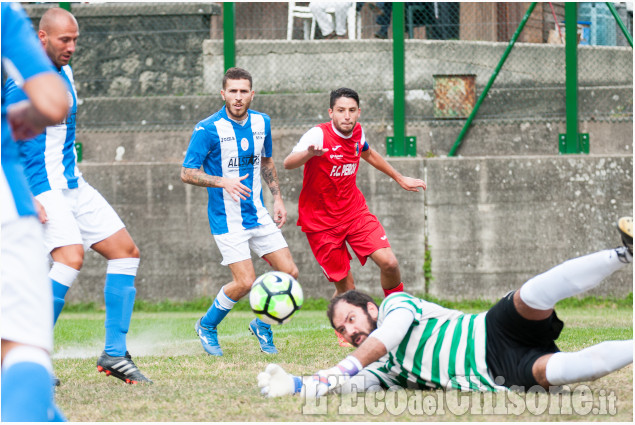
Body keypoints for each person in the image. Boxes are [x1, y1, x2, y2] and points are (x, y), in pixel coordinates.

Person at [258, 217, 634, 397]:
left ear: (371, 308)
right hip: (498, 374)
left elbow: (388, 337)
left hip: (490, 329)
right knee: (567, 371)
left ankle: (624, 252)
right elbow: (351, 386)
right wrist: (295, 385)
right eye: (342, 330)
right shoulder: (389, 371)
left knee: (530, 295)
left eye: (351, 319)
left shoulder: (395, 307)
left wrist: (337, 369)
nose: (350, 331)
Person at [4, 7, 151, 385]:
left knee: (126, 252)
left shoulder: (63, 71)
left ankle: (115, 354)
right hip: (42, 185)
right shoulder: (23, 82)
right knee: (70, 256)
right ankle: (26, 356)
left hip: (72, 185)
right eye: (63, 40)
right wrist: (24, 193)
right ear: (41, 38)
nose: (71, 47)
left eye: (75, 40)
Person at [283, 87, 426, 344]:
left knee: (390, 263)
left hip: (354, 212)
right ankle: (349, 330)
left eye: (351, 111)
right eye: (340, 111)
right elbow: (288, 162)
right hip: (321, 223)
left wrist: (399, 177)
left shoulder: (358, 132)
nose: (346, 116)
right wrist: (308, 154)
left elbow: (368, 152)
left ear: (358, 112)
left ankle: (399, 313)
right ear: (331, 113)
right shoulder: (318, 134)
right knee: (346, 287)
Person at [181, 67, 299, 357]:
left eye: (243, 91)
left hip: (257, 214)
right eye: (232, 91)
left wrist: (278, 199)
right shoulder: (207, 128)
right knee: (245, 282)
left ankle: (263, 325)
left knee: (290, 273)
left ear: (252, 94)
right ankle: (207, 326)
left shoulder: (262, 122)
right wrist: (223, 181)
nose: (238, 97)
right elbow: (186, 172)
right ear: (223, 94)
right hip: (226, 219)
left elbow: (267, 161)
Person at [1, 2, 70, 420]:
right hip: (7, 200)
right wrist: (19, 116)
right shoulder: (6, 14)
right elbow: (51, 104)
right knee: (22, 350)